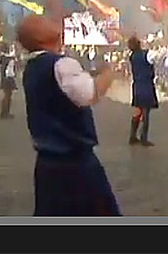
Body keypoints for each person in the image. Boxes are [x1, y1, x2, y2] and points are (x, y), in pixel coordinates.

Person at [16, 15, 119, 216]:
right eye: (44, 21)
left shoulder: (33, 67)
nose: (54, 22)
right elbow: (88, 95)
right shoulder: (62, 64)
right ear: (39, 36)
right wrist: (108, 74)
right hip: (75, 162)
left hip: (47, 163)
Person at [128, 36, 158, 146]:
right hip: (146, 85)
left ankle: (132, 136)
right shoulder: (147, 54)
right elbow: (157, 56)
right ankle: (143, 138)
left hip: (137, 85)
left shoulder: (132, 56)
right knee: (146, 112)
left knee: (138, 111)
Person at [0, 43, 17, 119]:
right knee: (8, 96)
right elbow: (10, 71)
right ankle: (6, 113)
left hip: (3, 78)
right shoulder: (10, 59)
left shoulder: (1, 58)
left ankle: (3, 112)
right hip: (9, 78)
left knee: (6, 95)